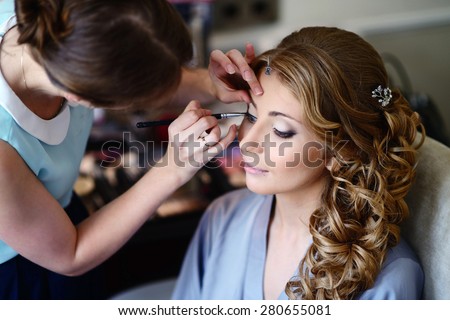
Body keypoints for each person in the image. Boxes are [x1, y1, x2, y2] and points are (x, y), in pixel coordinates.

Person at [0, 0, 262, 299]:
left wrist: (209, 83)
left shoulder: (60, 20)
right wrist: (173, 168)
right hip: (28, 268)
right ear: (80, 97)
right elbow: (70, 254)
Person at [172, 26, 425, 300]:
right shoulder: (221, 219)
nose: (247, 143)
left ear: (342, 151)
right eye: (252, 117)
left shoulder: (387, 279)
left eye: (281, 130)